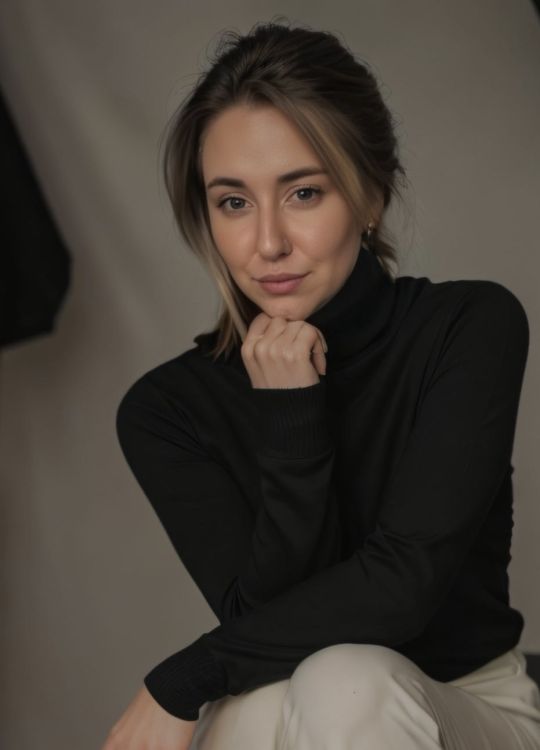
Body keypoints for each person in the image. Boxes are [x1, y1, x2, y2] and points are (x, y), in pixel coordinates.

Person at [101, 19, 540, 750]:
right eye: (234, 202)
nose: (268, 242)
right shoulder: (167, 409)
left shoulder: (468, 326)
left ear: (370, 197)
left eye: (303, 193)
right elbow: (265, 630)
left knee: (343, 679)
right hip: (289, 701)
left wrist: (181, 678)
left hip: (467, 705)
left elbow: (401, 589)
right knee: (263, 708)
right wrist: (290, 414)